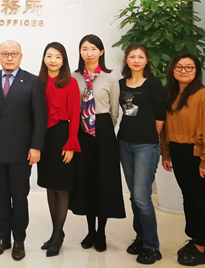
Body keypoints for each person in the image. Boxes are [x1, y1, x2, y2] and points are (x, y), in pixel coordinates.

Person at [161, 53, 205, 266]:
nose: (184, 71)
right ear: (172, 70)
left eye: (189, 67)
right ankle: (195, 238)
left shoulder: (204, 96)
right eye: (179, 67)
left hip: (198, 155)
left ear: (196, 71)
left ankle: (202, 247)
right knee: (188, 198)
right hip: (178, 152)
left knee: (200, 200)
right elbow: (165, 128)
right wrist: (165, 153)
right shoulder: (171, 94)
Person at [0, 40, 47, 261]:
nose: (9, 58)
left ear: (21, 56)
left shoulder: (33, 81)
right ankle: (2, 238)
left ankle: (19, 239)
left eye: (14, 54)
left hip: (21, 151)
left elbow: (40, 118)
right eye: (5, 54)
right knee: (0, 197)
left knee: (19, 198)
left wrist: (36, 146)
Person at [69, 34, 125, 252]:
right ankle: (90, 231)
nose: (89, 53)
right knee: (85, 180)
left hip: (103, 134)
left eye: (93, 49)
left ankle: (101, 232)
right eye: (85, 49)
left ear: (101, 52)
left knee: (103, 181)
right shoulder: (73, 77)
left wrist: (102, 128)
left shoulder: (110, 78)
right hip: (80, 132)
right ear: (80, 52)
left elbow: (114, 112)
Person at [118, 43, 166, 265]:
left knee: (142, 196)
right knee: (134, 196)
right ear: (126, 60)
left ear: (147, 60)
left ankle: (152, 246)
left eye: (140, 57)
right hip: (124, 143)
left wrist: (148, 136)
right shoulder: (121, 84)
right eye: (132, 56)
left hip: (146, 146)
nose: (136, 60)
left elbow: (160, 116)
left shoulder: (153, 84)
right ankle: (140, 237)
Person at [37, 42, 80, 257]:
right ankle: (57, 233)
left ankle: (56, 235)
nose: (53, 60)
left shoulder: (71, 82)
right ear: (44, 59)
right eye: (49, 56)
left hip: (62, 137)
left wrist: (71, 144)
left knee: (61, 187)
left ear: (63, 60)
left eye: (57, 57)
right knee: (50, 186)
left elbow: (75, 115)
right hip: (43, 139)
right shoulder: (38, 82)